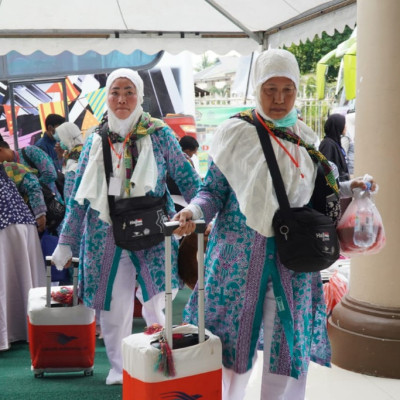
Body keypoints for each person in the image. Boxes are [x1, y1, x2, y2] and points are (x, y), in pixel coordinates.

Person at [174, 49, 340, 400]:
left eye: (288, 90)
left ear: (296, 91)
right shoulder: (236, 133)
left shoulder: (307, 141)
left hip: (291, 265)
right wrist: (193, 211)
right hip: (235, 263)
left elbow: (320, 198)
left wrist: (352, 190)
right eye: (270, 89)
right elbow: (212, 192)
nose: (279, 99)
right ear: (257, 89)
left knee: (286, 350)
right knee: (229, 348)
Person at [51, 68, 202, 385]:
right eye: (115, 92)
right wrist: (65, 241)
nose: (122, 98)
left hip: (154, 233)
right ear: (106, 97)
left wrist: (197, 208)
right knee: (114, 307)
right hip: (105, 236)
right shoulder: (94, 139)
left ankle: (156, 359)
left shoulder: (159, 134)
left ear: (140, 95)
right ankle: (120, 368)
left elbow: (188, 178)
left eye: (128, 91)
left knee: (155, 303)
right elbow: (80, 196)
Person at [0, 163, 45, 351]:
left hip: (7, 225)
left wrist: (41, 213)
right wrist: (40, 213)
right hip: (23, 222)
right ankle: (32, 328)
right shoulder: (11, 169)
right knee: (25, 277)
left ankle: (8, 333)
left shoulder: (13, 167)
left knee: (6, 279)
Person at [319, 113, 350, 182]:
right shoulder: (327, 144)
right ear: (338, 126)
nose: (345, 126)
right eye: (343, 124)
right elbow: (326, 167)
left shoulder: (335, 143)